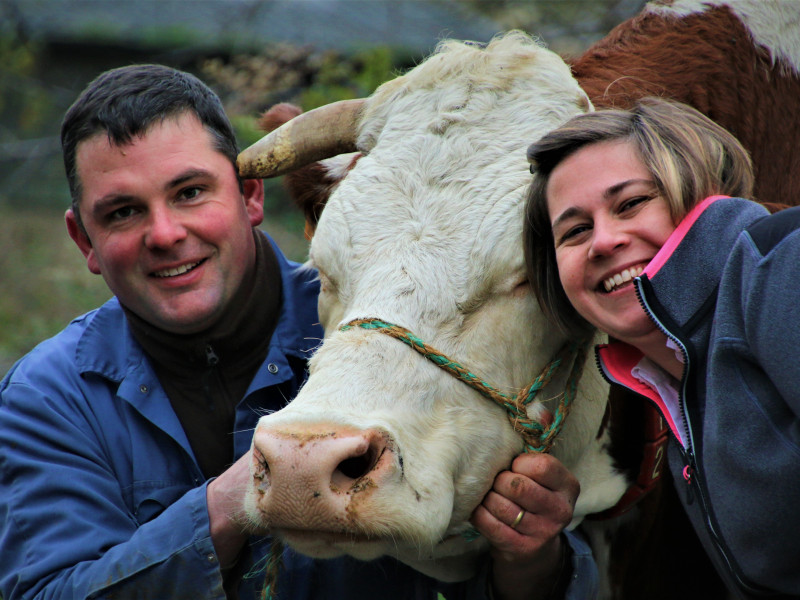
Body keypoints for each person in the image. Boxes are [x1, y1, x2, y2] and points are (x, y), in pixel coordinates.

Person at [0, 63, 588, 600]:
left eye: (190, 192)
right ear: (85, 243)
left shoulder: (412, 324)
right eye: (123, 211)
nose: (165, 233)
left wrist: (530, 560)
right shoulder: (46, 397)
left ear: (251, 195)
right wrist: (232, 501)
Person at [523, 96, 800, 598]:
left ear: (704, 192)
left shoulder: (782, 263)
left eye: (630, 203)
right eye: (575, 231)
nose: (603, 242)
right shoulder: (673, 390)